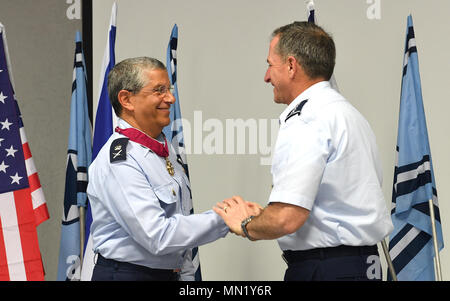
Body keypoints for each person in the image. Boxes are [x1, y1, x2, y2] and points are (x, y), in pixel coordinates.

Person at [214, 22, 394, 281]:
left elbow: (287, 218)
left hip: (326, 271)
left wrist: (244, 223)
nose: (266, 77)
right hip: (362, 267)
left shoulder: (307, 119)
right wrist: (266, 214)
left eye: (270, 65)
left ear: (290, 65)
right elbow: (333, 206)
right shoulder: (348, 114)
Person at [87, 57, 254, 281]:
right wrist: (225, 218)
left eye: (169, 89)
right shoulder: (121, 160)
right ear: (127, 99)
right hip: (128, 275)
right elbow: (157, 236)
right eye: (159, 90)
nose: (171, 98)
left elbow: (178, 227)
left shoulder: (163, 150)